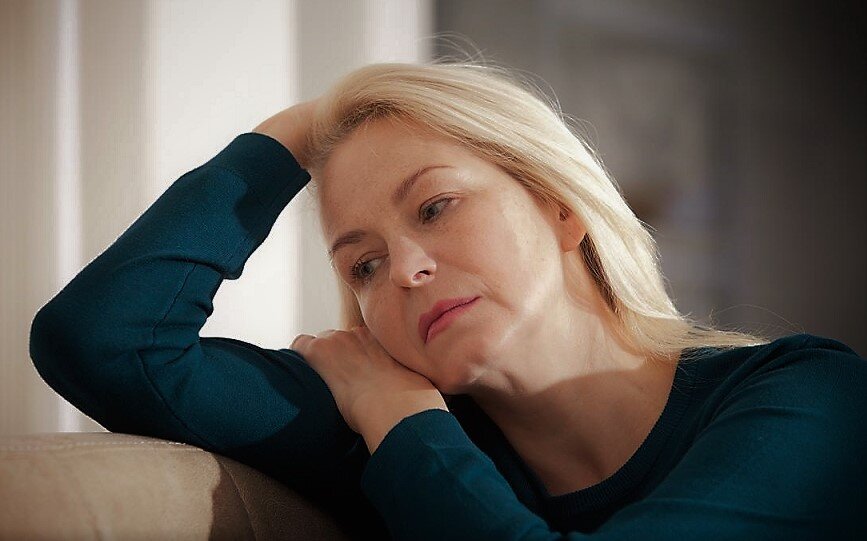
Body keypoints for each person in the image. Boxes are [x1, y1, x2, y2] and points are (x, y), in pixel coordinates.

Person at [29, 61, 867, 540]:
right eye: (362, 264)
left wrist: (397, 418)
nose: (404, 270)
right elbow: (100, 338)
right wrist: (295, 133)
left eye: (435, 207)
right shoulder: (384, 410)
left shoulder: (811, 398)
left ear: (559, 204)